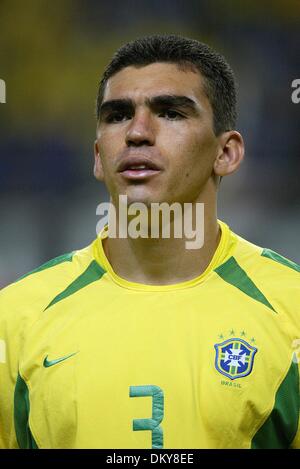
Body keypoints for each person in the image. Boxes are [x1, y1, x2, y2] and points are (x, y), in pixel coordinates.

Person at [0, 34, 299, 450]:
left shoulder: (291, 308)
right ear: (98, 157)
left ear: (226, 153)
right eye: (118, 115)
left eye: (171, 113)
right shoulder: (15, 318)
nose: (137, 133)